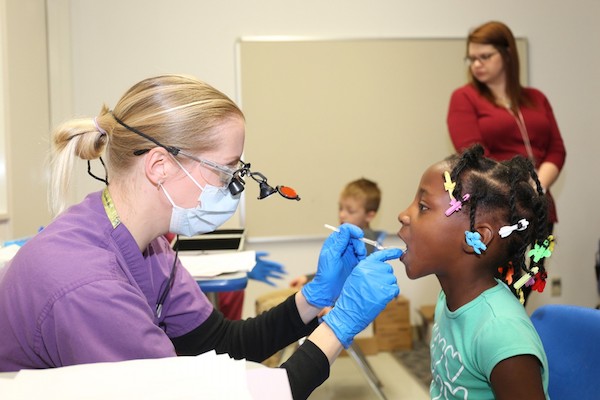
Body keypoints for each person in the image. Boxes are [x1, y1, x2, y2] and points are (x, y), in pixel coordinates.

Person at [0, 74, 402, 399]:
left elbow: (222, 343)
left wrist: (315, 296)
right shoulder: (89, 285)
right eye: (226, 171)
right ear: (159, 166)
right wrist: (338, 328)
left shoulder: (146, 243)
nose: (233, 187)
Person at [398, 144, 550, 398]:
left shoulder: (502, 334)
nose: (403, 215)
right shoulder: (449, 297)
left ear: (475, 238)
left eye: (423, 206)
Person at [447, 21, 566, 304]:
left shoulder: (536, 99)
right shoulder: (465, 97)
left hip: (540, 210)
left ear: (507, 54)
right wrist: (522, 186)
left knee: (526, 285)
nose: (477, 64)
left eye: (485, 57)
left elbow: (556, 150)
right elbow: (475, 155)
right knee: (499, 291)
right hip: (499, 211)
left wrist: (538, 186)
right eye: (472, 58)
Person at [289, 178, 384, 288]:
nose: (342, 215)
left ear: (369, 216)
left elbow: (345, 273)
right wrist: (308, 278)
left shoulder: (365, 239)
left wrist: (310, 280)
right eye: (340, 208)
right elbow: (335, 269)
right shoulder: (348, 237)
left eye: (350, 211)